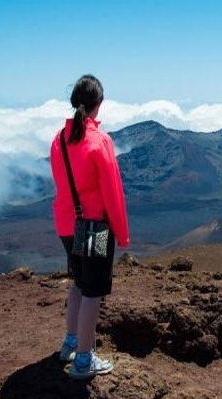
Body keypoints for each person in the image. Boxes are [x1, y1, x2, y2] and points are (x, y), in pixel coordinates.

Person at [50, 74, 131, 379]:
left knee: (79, 283)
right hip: (95, 228)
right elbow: (113, 193)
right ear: (100, 103)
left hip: (66, 225)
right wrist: (121, 234)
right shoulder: (100, 142)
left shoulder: (59, 139)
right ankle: (84, 360)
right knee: (93, 291)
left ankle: (70, 344)